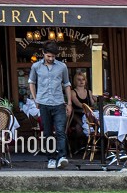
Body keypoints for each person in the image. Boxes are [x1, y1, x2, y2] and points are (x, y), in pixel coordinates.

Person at [28, 41, 71, 169]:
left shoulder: (62, 67)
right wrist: (36, 99)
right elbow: (31, 82)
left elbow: (67, 84)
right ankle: (51, 159)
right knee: (47, 133)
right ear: (43, 53)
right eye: (49, 56)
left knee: (60, 131)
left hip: (58, 103)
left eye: (53, 56)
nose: (51, 59)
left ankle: (62, 157)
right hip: (44, 103)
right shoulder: (36, 67)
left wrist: (69, 103)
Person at [68, 69, 100, 158]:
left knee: (96, 126)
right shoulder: (72, 92)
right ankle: (80, 147)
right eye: (79, 79)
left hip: (88, 115)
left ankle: (91, 147)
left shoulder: (88, 92)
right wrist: (88, 108)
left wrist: (96, 98)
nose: (81, 81)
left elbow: (93, 104)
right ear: (75, 81)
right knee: (80, 128)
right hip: (77, 115)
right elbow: (79, 104)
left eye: (83, 79)